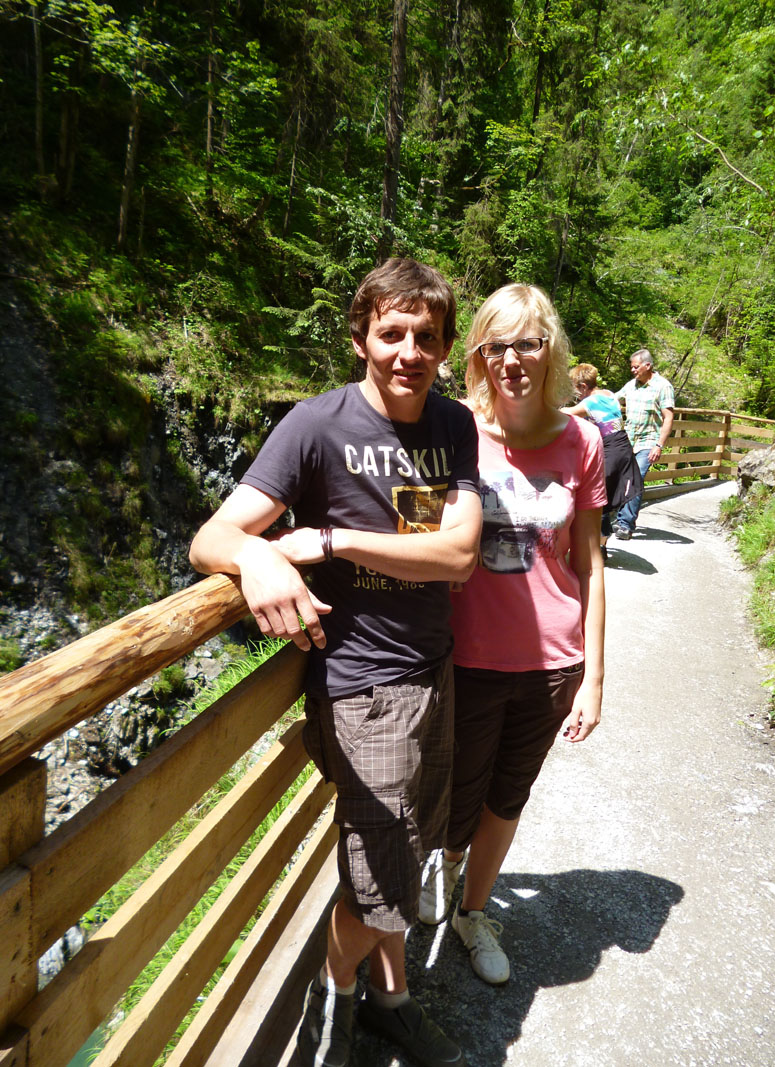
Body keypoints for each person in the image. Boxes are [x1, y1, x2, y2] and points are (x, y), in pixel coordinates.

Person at [189, 258, 483, 1067]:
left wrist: (330, 540)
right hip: (362, 688)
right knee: (381, 886)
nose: (409, 352)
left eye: (427, 336)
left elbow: (458, 553)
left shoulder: (453, 425)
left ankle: (391, 1001)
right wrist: (257, 559)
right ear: (361, 338)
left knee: (405, 856)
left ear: (444, 347)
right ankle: (333, 998)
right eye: (392, 333)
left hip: (435, 669)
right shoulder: (314, 426)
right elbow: (212, 537)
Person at [417, 284, 605, 986]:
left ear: (550, 350)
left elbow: (590, 562)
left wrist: (594, 677)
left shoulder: (582, 441)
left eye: (527, 343)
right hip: (466, 655)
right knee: (457, 793)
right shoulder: (454, 429)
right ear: (478, 355)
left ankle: (473, 912)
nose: (512, 359)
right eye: (497, 345)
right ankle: (446, 866)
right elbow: (412, 529)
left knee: (508, 796)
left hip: (552, 660)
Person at [563, 363, 643, 559]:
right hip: (623, 447)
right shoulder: (609, 394)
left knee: (598, 498)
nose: (576, 394)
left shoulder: (590, 402)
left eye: (575, 389)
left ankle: (596, 548)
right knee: (603, 498)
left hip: (611, 450)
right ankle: (601, 546)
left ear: (583, 386)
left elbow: (566, 413)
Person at [612, 348, 675, 539]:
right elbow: (613, 399)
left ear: (647, 366)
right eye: (631, 367)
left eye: (636, 367)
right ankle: (617, 517)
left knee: (636, 478)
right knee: (621, 478)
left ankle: (625, 524)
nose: (632, 370)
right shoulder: (631, 385)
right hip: (628, 440)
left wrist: (659, 445)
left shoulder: (663, 386)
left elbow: (668, 417)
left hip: (648, 441)